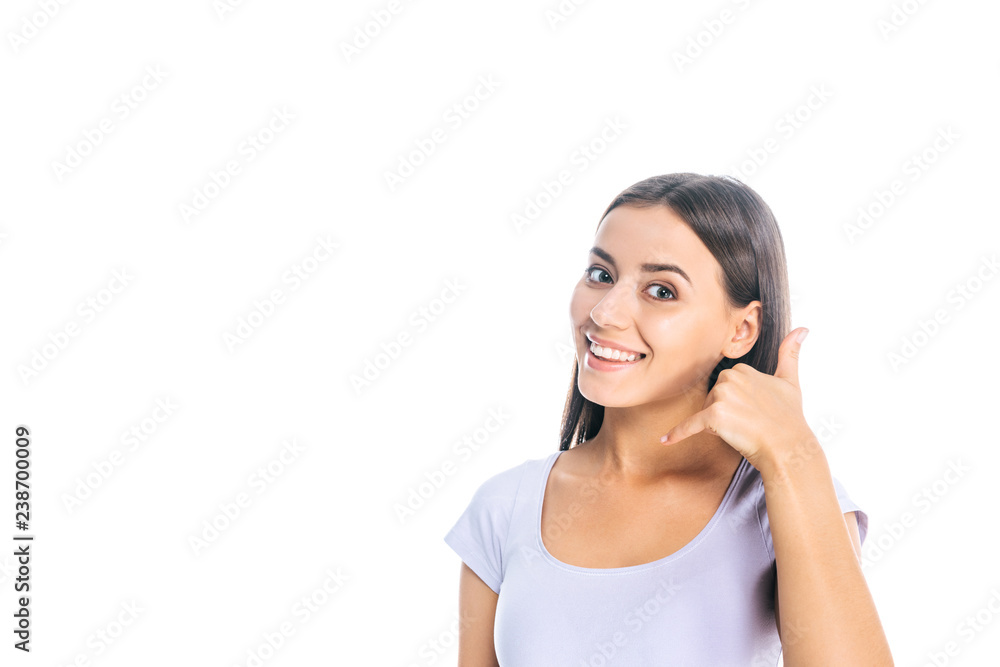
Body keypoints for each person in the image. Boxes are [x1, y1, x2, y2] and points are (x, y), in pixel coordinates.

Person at [444, 173, 894, 666]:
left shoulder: (777, 500)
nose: (607, 313)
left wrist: (792, 454)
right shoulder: (504, 508)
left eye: (661, 291)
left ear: (741, 330)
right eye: (601, 275)